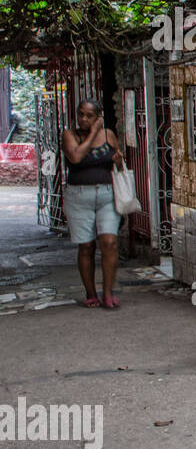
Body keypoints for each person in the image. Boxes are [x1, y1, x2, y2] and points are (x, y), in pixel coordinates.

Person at [61, 99, 126, 309]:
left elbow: (120, 166)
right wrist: (91, 133)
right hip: (79, 197)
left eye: (89, 116)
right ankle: (91, 293)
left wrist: (118, 162)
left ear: (98, 116)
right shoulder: (70, 135)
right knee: (87, 246)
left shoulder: (109, 135)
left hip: (107, 195)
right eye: (81, 114)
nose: (83, 119)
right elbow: (76, 156)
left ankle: (108, 293)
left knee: (109, 242)